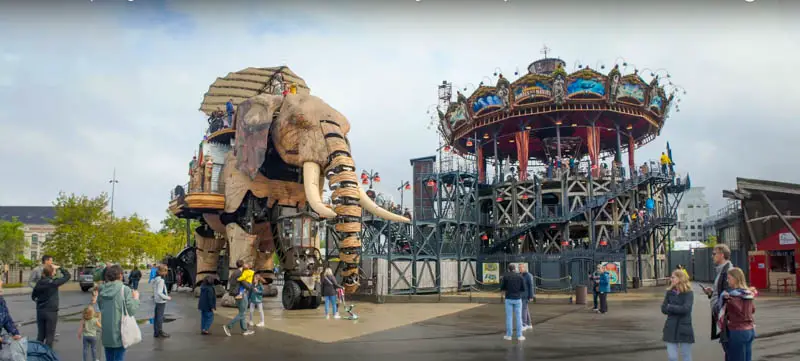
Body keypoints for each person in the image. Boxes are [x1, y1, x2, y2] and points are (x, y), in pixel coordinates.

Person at [92, 264, 140, 361]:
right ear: (121, 275)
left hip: (106, 330)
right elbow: (132, 310)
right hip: (120, 330)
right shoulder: (125, 289)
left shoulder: (102, 289)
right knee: (118, 357)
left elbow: (101, 307)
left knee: (109, 357)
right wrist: (136, 298)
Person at [702, 244, 733, 358]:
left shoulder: (728, 271)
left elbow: (729, 295)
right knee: (727, 349)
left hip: (725, 317)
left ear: (722, 255)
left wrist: (719, 309)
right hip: (721, 315)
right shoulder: (721, 271)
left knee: (729, 349)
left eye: (714, 254)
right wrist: (712, 293)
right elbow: (721, 292)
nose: (712, 256)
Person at [719, 267, 756, 361]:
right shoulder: (748, 293)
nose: (727, 281)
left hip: (736, 331)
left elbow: (720, 310)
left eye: (729, 278)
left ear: (735, 279)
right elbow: (752, 310)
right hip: (750, 330)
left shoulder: (730, 296)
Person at [32, 263, 71, 347]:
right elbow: (67, 276)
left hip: (40, 311)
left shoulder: (39, 283)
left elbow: (33, 296)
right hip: (51, 312)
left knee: (41, 335)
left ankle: (37, 353)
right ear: (52, 273)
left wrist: (39, 301)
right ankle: (47, 355)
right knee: (50, 336)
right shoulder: (54, 282)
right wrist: (60, 267)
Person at [662, 269, 695, 361]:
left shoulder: (688, 293)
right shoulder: (669, 292)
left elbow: (686, 309)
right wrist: (676, 308)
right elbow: (663, 309)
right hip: (671, 327)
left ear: (680, 278)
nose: (671, 279)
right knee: (672, 357)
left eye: (673, 277)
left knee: (686, 355)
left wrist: (671, 307)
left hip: (684, 327)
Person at [223, 260, 254, 336]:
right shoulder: (240, 273)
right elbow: (245, 284)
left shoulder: (234, 273)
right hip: (241, 294)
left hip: (236, 294)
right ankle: (228, 326)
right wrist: (251, 286)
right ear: (243, 265)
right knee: (242, 313)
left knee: (242, 312)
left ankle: (244, 330)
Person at [499, 264, 526, 341]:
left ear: (508, 269)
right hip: (518, 298)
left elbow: (502, 287)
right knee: (518, 317)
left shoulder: (506, 277)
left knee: (509, 317)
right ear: (515, 269)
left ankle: (509, 335)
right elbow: (523, 288)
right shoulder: (520, 276)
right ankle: (519, 335)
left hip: (508, 298)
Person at [151, 265, 172, 338]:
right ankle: (160, 332)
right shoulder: (161, 280)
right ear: (162, 272)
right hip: (161, 300)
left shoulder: (156, 279)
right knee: (160, 317)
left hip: (157, 300)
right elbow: (160, 292)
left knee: (157, 316)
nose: (166, 273)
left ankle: (156, 332)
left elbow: (155, 290)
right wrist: (167, 297)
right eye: (165, 271)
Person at [0, 278, 22, 343]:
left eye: (1, 290)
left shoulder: (1, 302)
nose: (1, 292)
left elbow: (7, 319)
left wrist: (15, 333)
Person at [519, 264, 535, 331]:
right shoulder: (521, 275)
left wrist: (531, 296)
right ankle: (529, 324)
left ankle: (524, 325)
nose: (519, 269)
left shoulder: (528, 275)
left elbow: (531, 286)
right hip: (521, 295)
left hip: (526, 295)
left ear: (524, 268)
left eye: (520, 267)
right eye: (518, 267)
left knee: (523, 310)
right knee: (525, 309)